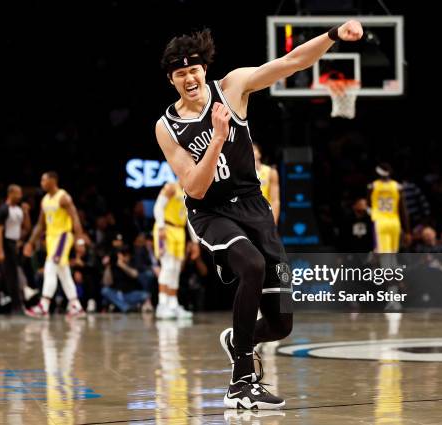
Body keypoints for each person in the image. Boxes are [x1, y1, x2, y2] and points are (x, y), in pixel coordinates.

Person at [155, 22, 363, 409]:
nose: (189, 78)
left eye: (194, 70)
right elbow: (195, 188)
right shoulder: (166, 127)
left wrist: (333, 35)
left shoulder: (232, 87)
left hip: (253, 206)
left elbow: (292, 61)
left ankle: (238, 338)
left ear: (204, 70)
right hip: (211, 211)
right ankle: (241, 383)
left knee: (282, 323)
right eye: (180, 73)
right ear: (172, 79)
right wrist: (217, 138)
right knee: (249, 265)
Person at [23, 172, 87, 319]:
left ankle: (43, 305)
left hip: (63, 236)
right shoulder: (45, 200)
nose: (41, 183)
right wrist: (30, 242)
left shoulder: (63, 197)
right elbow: (40, 225)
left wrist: (80, 240)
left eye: (44, 180)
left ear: (53, 180)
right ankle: (75, 304)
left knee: (50, 268)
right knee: (63, 272)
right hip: (51, 239)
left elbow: (75, 218)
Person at [153, 182, 192, 319]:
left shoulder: (189, 189)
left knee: (176, 269)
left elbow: (189, 218)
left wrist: (194, 241)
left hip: (179, 231)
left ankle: (172, 304)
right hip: (166, 229)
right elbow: (158, 207)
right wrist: (161, 226)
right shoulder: (171, 187)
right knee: (167, 267)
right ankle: (162, 305)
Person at [0, 184, 32, 314]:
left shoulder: (19, 210)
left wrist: (26, 213)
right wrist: (0, 250)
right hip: (6, 243)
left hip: (14, 244)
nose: (20, 196)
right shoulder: (4, 209)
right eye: (18, 193)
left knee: (6, 276)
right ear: (10, 193)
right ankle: (17, 306)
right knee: (13, 276)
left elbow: (26, 228)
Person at [368, 163, 410, 253]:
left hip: (380, 222)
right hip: (394, 222)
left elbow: (369, 206)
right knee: (393, 254)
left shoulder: (372, 186)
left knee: (384, 256)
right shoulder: (397, 187)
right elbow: (403, 211)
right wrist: (407, 230)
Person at [253, 143, 280, 224]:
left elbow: (275, 200)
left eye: (254, 149)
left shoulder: (271, 172)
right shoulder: (240, 172)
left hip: (264, 214)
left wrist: (273, 223)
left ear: (259, 154)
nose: (250, 151)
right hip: (248, 214)